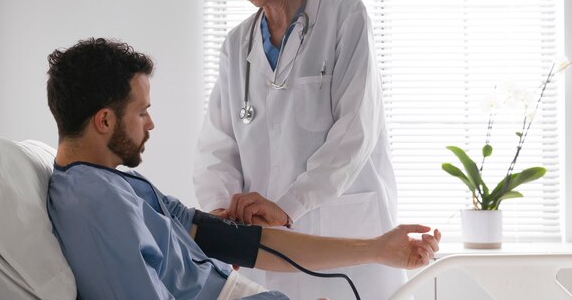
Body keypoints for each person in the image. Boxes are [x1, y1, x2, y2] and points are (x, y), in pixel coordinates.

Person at [46, 38, 441, 300]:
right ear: (104, 121)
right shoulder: (93, 202)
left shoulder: (120, 185)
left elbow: (240, 242)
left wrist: (376, 249)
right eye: (142, 112)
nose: (150, 124)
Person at [194, 0, 405, 300]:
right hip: (268, 244)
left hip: (343, 229)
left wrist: (289, 206)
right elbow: (217, 145)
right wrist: (222, 218)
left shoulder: (344, 15)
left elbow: (356, 129)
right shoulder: (236, 45)